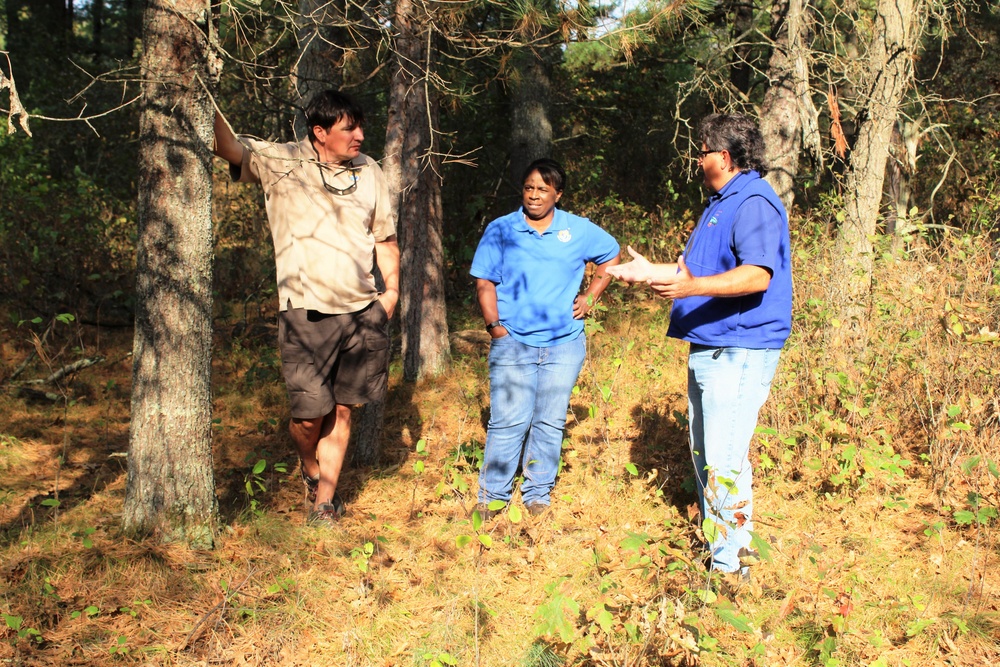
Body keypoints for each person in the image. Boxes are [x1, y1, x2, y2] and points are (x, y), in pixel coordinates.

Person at [608, 114, 792, 575]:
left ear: (724, 157)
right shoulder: (719, 204)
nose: (697, 158)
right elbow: (694, 275)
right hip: (711, 346)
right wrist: (649, 272)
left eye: (702, 149)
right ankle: (729, 548)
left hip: (740, 349)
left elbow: (756, 275)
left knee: (723, 459)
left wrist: (689, 289)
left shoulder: (752, 201)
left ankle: (728, 567)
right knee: (709, 453)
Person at [213, 90, 399, 526]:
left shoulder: (369, 170)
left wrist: (390, 293)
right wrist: (206, 89)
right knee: (308, 415)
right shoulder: (282, 162)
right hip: (305, 314)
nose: (360, 135)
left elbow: (385, 239)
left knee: (343, 410)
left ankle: (323, 504)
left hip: (363, 312)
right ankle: (310, 468)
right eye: (349, 128)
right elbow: (225, 145)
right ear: (319, 132)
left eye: (360, 126)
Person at [471, 158, 620, 518]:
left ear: (558, 194)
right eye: (528, 188)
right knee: (508, 420)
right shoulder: (501, 229)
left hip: (564, 343)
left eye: (542, 189)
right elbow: (484, 282)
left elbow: (611, 255)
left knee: (550, 419)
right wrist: (495, 327)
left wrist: (590, 296)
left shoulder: (577, 230)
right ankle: (493, 496)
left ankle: (538, 494)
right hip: (514, 341)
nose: (534, 195)